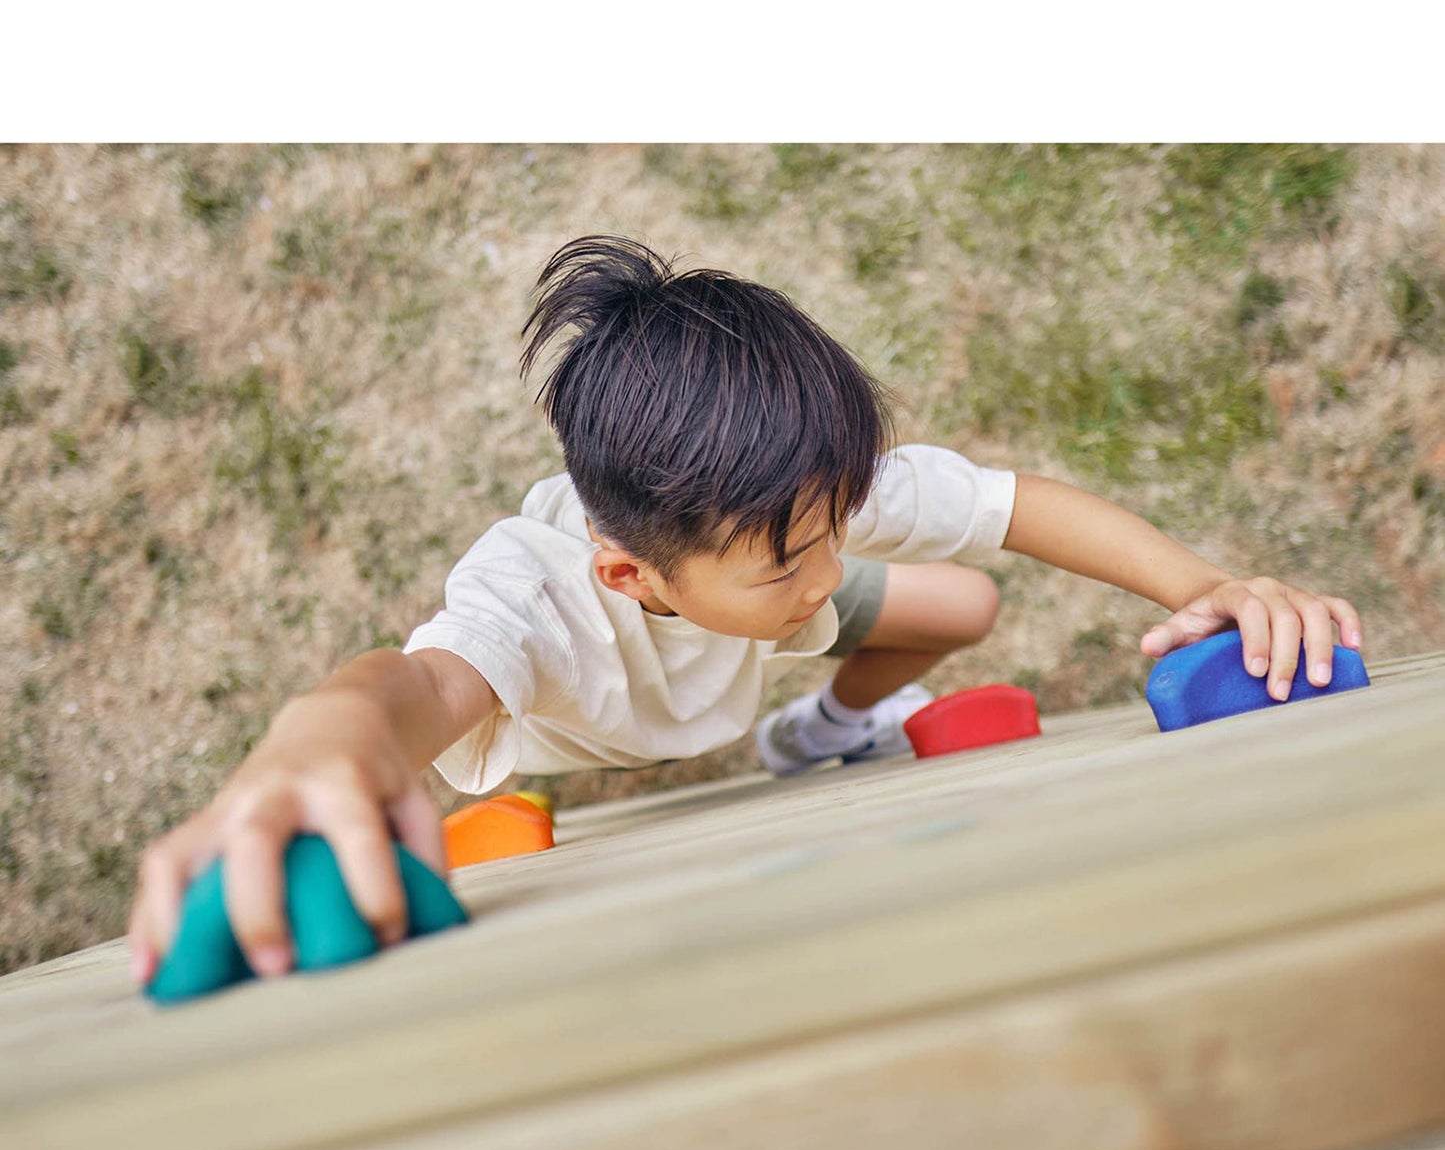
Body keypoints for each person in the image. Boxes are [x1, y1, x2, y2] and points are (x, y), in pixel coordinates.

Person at [128, 234, 1365, 985]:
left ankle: (817, 732)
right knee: (501, 782)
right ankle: (541, 792)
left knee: (961, 597)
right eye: (790, 559)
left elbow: (1016, 505)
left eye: (832, 534)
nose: (823, 569)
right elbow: (414, 686)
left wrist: (1200, 585)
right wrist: (318, 736)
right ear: (632, 574)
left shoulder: (789, 502)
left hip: (737, 642)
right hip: (560, 725)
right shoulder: (535, 598)